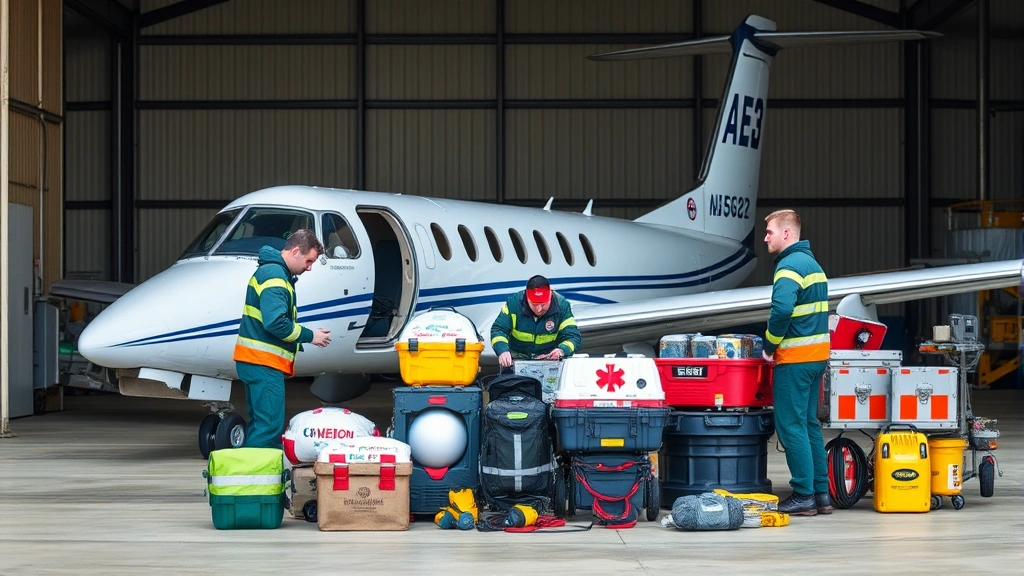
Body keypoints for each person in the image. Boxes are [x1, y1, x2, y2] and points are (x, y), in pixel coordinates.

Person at [233, 229, 332, 449]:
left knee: (260, 424)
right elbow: (275, 322)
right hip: (263, 363)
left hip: (255, 361)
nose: (309, 267)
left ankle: (253, 476)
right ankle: (260, 480)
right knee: (268, 429)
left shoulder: (273, 273)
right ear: (296, 251)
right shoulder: (275, 277)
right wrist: (310, 336)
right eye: (309, 261)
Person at [761, 209, 831, 516]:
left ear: (787, 234)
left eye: (770, 232)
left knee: (790, 426)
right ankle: (821, 494)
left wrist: (768, 346)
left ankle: (803, 494)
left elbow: (781, 310)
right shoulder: (813, 264)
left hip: (795, 359)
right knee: (809, 425)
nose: (765, 238)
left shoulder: (788, 266)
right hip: (816, 358)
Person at [490, 275, 582, 368]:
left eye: (543, 304)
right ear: (527, 298)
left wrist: (561, 351)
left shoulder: (562, 306)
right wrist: (503, 351)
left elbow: (573, 337)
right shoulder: (514, 304)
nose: (538, 309)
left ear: (550, 296)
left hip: (548, 361)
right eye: (534, 304)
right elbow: (499, 330)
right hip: (517, 361)